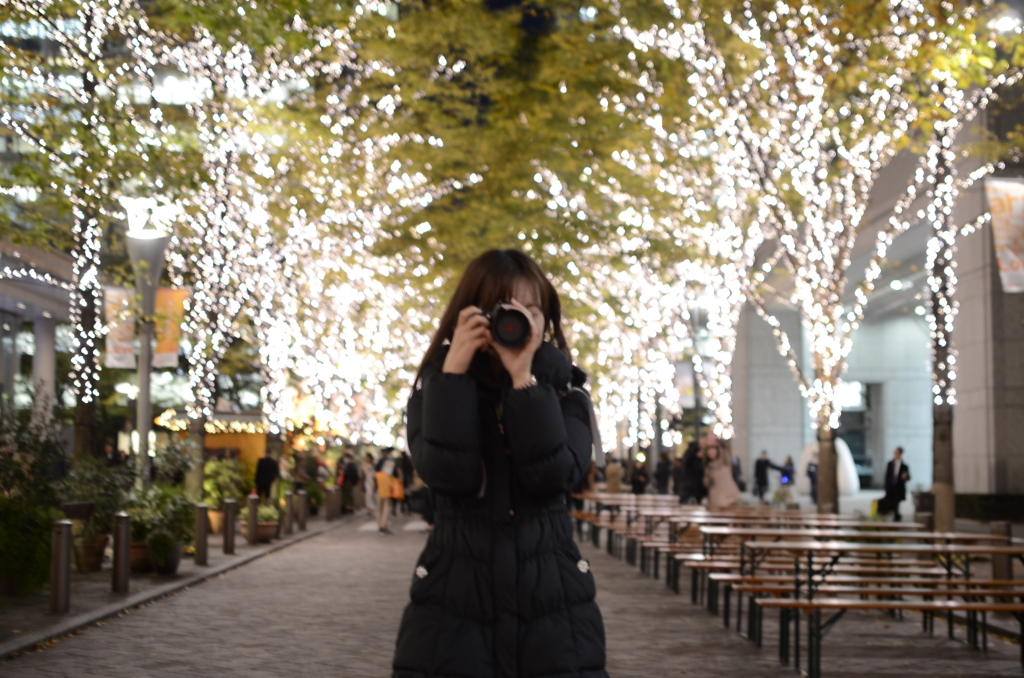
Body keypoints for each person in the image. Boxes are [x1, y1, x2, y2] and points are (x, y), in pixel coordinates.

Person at [393, 249, 606, 678]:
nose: (518, 321)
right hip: (454, 599)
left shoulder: (567, 394)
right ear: (471, 314)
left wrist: (524, 383)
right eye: (505, 310)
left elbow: (553, 478)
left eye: (531, 310)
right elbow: (449, 476)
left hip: (552, 598)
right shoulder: (433, 391)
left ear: (545, 320)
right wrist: (453, 374)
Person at [702, 434, 741, 508]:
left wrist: (720, 443)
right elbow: (706, 482)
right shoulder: (708, 467)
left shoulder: (723, 462)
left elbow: (725, 451)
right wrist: (710, 479)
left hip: (730, 497)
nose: (711, 452)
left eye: (713, 450)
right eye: (709, 451)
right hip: (715, 498)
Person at [879, 446, 911, 521]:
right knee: (890, 502)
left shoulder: (904, 466)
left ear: (900, 454)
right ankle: (895, 515)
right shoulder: (890, 464)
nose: (895, 454)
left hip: (899, 487)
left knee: (896, 503)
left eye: (897, 452)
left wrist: (905, 477)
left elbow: (908, 477)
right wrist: (886, 486)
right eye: (895, 452)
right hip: (891, 487)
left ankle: (896, 516)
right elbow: (887, 476)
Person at [374, 447, 399, 534]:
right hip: (386, 486)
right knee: (387, 506)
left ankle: (380, 525)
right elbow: (394, 474)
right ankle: (383, 526)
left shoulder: (379, 460)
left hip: (378, 486)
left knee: (379, 507)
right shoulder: (391, 461)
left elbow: (375, 472)